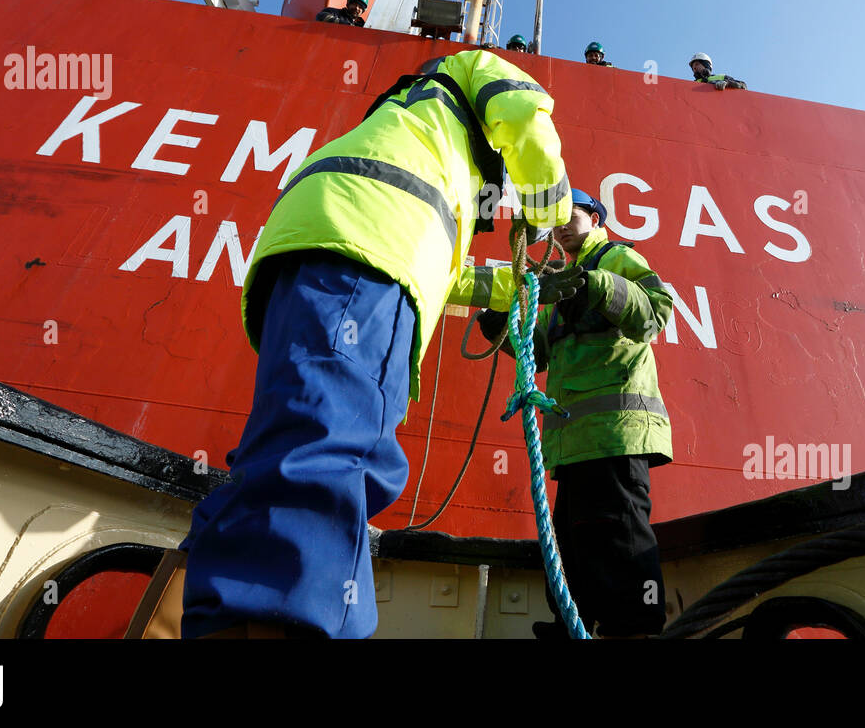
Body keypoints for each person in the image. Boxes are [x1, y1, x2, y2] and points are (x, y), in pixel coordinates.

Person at [155, 49, 577, 639]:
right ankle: (272, 624)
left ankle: (182, 621)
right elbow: (525, 113)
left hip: (329, 244)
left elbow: (450, 274)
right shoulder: (471, 70)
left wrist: (522, 288)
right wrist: (554, 211)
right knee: (328, 446)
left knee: (301, 436)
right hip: (367, 253)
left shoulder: (413, 132)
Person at [477, 187, 673, 639]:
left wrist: (598, 285)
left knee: (621, 537)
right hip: (573, 442)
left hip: (617, 434)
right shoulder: (560, 281)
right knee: (572, 543)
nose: (562, 223)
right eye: (557, 217)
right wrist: (500, 326)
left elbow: (655, 314)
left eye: (573, 214)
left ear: (596, 217)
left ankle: (637, 627)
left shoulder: (615, 258)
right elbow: (538, 352)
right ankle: (572, 624)